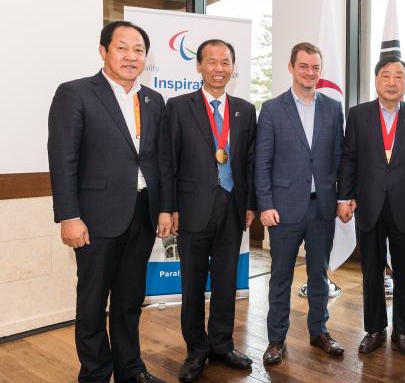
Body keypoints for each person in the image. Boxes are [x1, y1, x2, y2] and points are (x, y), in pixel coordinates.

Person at [47, 21, 172, 383]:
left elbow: (159, 159)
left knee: (130, 300)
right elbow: (63, 158)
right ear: (103, 51)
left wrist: (164, 207)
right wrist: (69, 216)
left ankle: (131, 369)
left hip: (142, 214)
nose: (131, 56)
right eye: (123, 48)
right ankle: (96, 374)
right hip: (95, 218)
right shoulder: (76, 93)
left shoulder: (153, 100)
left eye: (138, 50)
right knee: (91, 304)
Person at [166, 39, 256, 381]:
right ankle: (196, 350)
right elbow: (168, 159)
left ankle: (221, 344)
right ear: (199, 66)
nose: (219, 68)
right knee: (191, 285)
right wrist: (169, 207)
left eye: (226, 62)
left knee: (225, 281)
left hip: (233, 208)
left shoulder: (245, 110)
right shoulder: (178, 106)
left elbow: (249, 161)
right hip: (192, 209)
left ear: (233, 67)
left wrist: (250, 204)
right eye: (212, 62)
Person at [337, 56, 405, 357]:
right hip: (369, 204)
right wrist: (344, 197)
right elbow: (349, 158)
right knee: (371, 271)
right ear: (376, 80)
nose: (392, 82)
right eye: (386, 76)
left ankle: (402, 331)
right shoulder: (358, 114)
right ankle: (375, 329)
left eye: (398, 76)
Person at [256, 42, 345, 365]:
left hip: (321, 207)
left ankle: (319, 331)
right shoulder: (271, 109)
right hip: (282, 208)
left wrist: (342, 197)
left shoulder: (334, 108)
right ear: (291, 67)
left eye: (315, 67)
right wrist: (264, 203)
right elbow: (261, 162)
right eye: (304, 66)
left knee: (319, 274)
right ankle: (276, 339)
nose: (310, 73)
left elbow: (339, 158)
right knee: (280, 276)